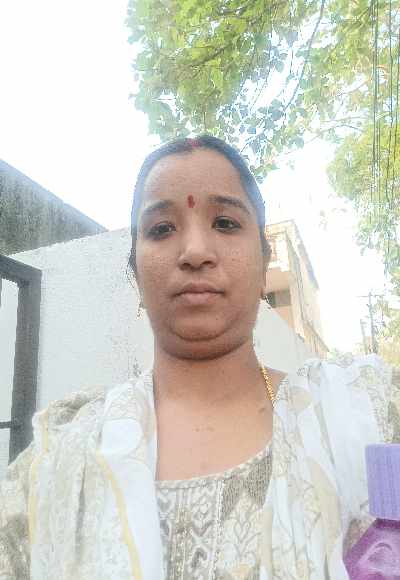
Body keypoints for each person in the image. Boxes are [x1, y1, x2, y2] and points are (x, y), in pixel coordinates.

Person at [0, 135, 399, 580]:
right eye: (161, 229)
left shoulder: (369, 414)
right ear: (135, 273)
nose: (194, 252)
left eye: (225, 223)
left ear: (263, 262)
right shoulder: (56, 464)